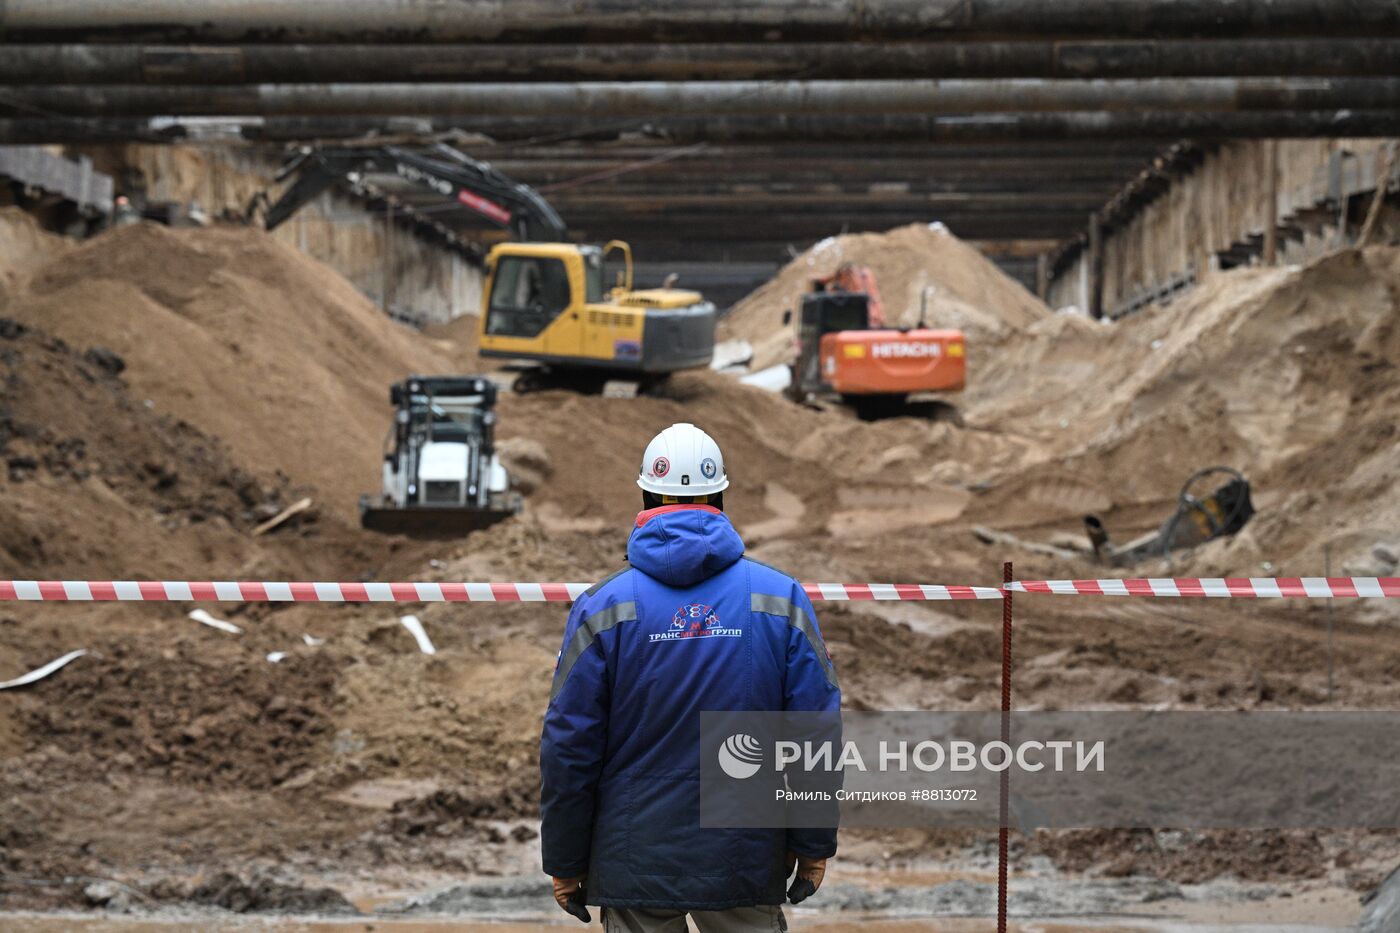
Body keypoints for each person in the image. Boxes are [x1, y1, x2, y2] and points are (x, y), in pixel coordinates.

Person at [540, 423, 841, 931]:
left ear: (647, 492)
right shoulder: (779, 598)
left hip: (636, 853)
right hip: (742, 852)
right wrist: (812, 844)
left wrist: (566, 860)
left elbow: (569, 745)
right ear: (720, 494)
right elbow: (814, 731)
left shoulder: (604, 606)